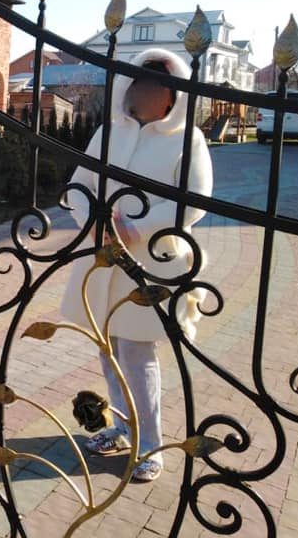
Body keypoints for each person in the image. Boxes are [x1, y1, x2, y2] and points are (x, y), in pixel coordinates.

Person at [61, 48, 213, 482]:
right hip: (103, 259)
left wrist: (136, 227)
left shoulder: (188, 139)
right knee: (107, 346)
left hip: (152, 262)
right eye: (136, 84)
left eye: (152, 86)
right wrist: (92, 222)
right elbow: (78, 185)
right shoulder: (109, 132)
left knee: (136, 351)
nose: (140, 92)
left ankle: (151, 445)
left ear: (172, 96)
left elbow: (195, 201)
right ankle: (124, 428)